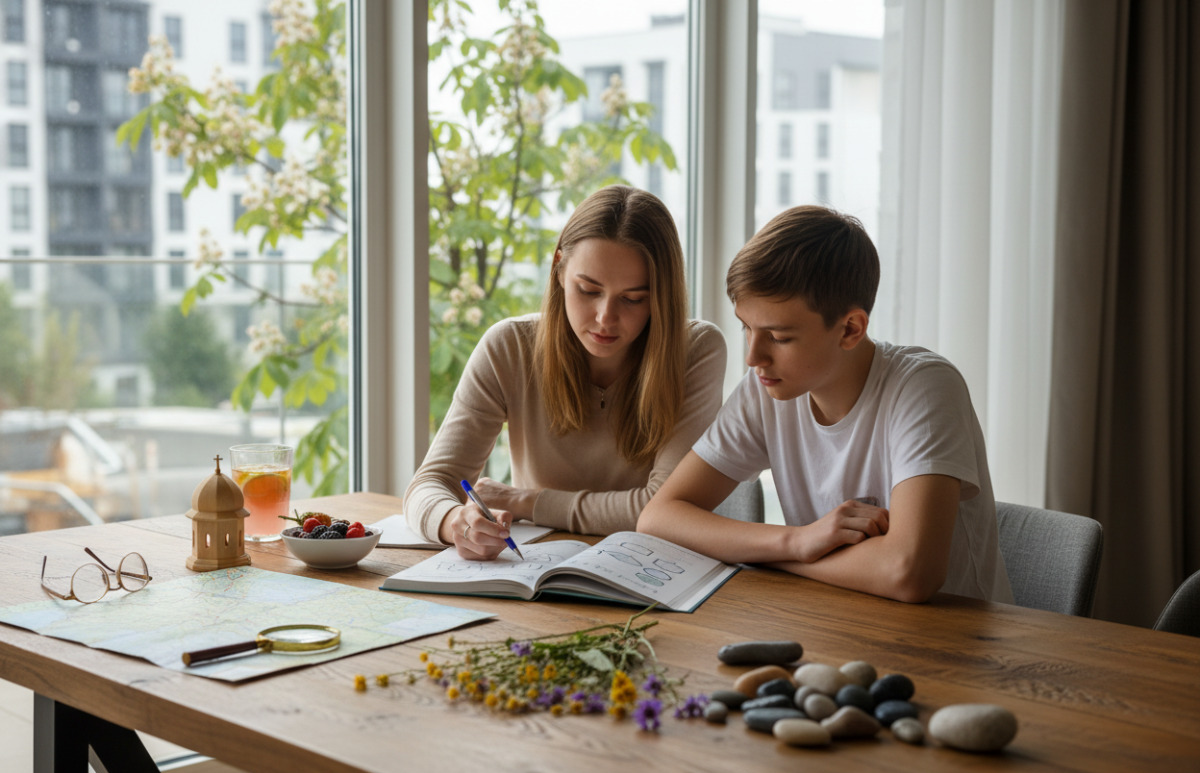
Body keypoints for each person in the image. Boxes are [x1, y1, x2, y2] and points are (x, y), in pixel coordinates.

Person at [637, 205, 1013, 603]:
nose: (753, 357)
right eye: (746, 327)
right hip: (835, 622)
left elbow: (909, 572)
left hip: (952, 642)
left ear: (850, 329)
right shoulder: (764, 388)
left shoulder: (924, 388)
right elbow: (659, 517)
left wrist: (769, 556)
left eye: (779, 337)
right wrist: (795, 542)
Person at [404, 185, 727, 560]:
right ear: (559, 269)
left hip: (653, 572)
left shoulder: (696, 350)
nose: (605, 318)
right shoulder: (509, 347)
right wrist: (454, 521)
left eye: (633, 298)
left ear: (661, 295)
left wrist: (525, 501)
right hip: (536, 571)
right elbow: (430, 483)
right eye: (588, 290)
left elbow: (662, 510)